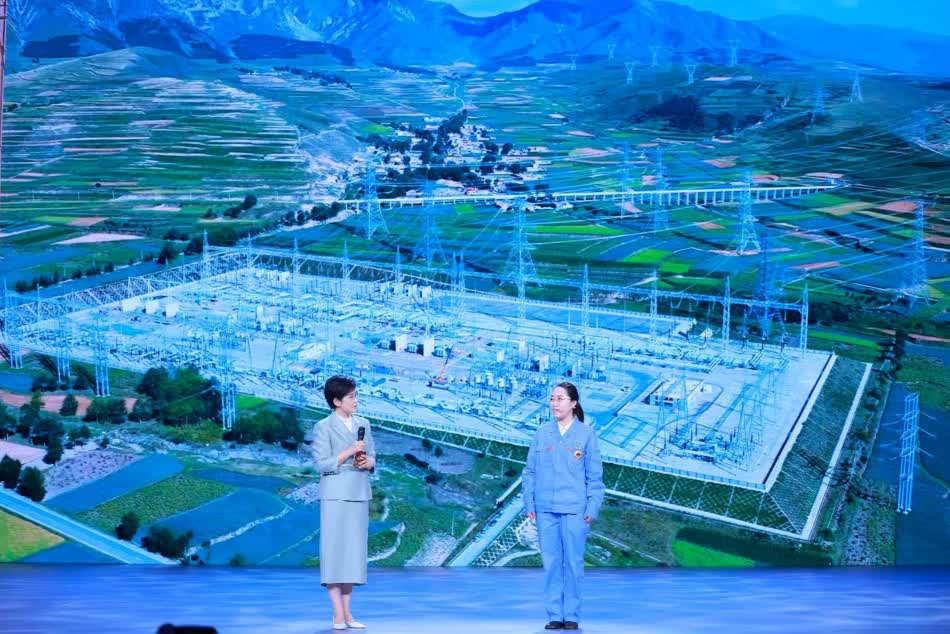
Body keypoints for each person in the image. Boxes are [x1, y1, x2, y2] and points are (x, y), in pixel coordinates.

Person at [522, 381, 604, 631]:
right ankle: (555, 615)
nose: (554, 403)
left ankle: (572, 615)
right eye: (552, 399)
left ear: (573, 403)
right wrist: (529, 503)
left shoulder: (586, 435)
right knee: (551, 565)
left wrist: (591, 509)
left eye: (560, 399)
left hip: (575, 510)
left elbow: (595, 478)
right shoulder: (542, 433)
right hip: (545, 508)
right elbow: (529, 472)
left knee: (574, 564)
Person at [312, 375, 376, 631]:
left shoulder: (364, 424)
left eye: (355, 395)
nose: (356, 401)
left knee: (352, 555)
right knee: (334, 554)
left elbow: (372, 455)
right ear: (337, 401)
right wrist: (348, 452)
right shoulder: (323, 427)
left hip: (359, 492)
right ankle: (337, 613)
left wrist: (369, 462)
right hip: (335, 494)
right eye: (351, 397)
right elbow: (321, 465)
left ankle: (348, 613)